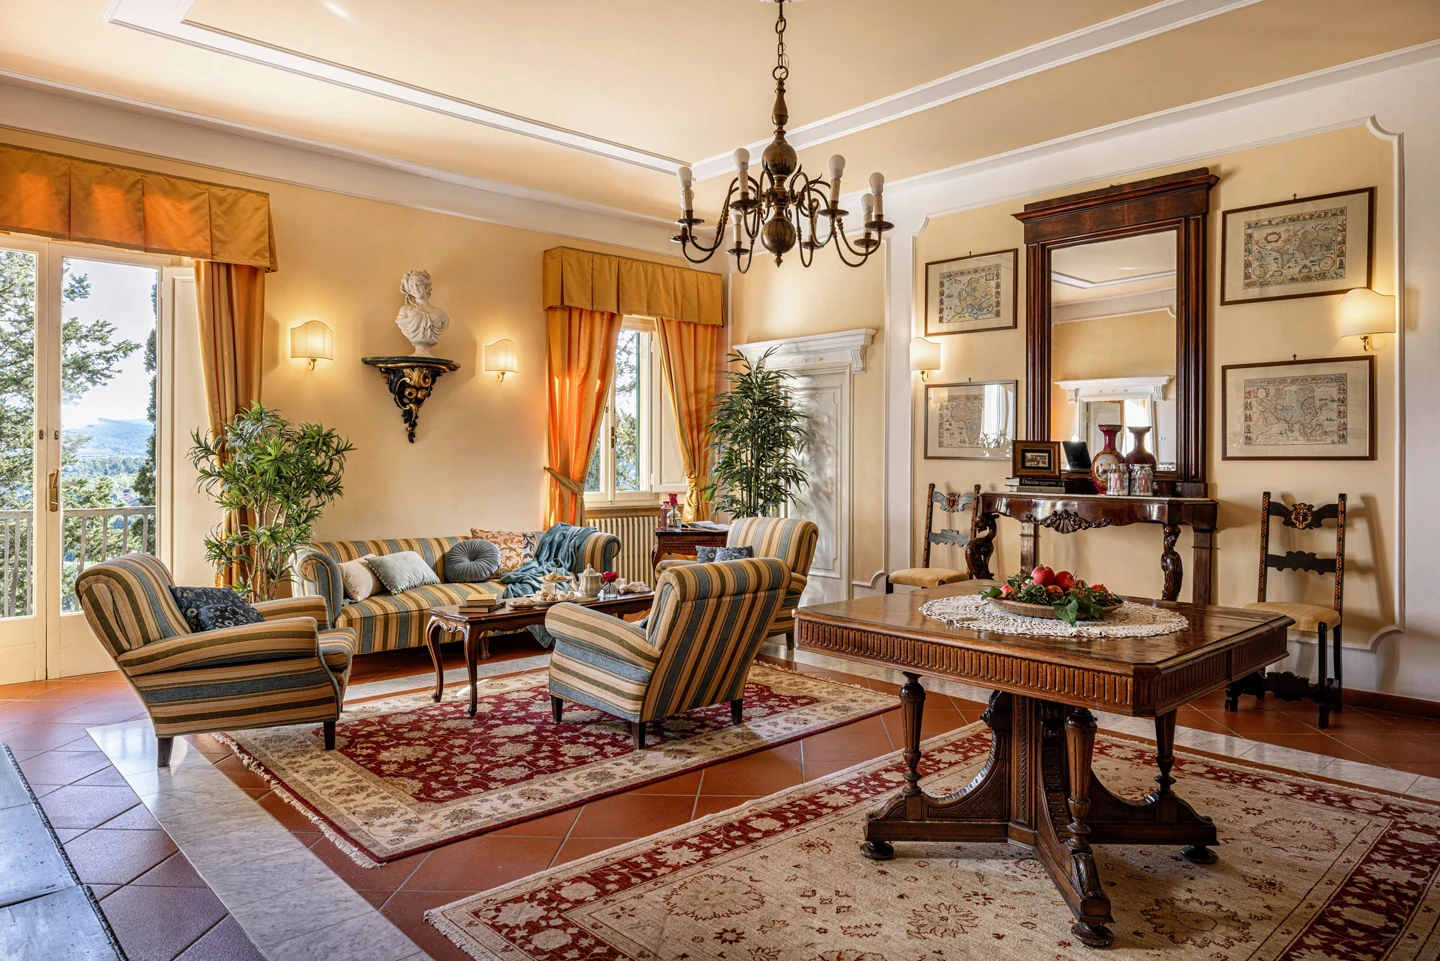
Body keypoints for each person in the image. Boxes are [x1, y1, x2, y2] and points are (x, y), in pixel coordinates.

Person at [395, 269, 450, 356]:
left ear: (426, 286)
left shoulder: (440, 314)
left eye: (418, 284)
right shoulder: (405, 311)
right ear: (409, 291)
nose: (415, 289)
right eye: (411, 287)